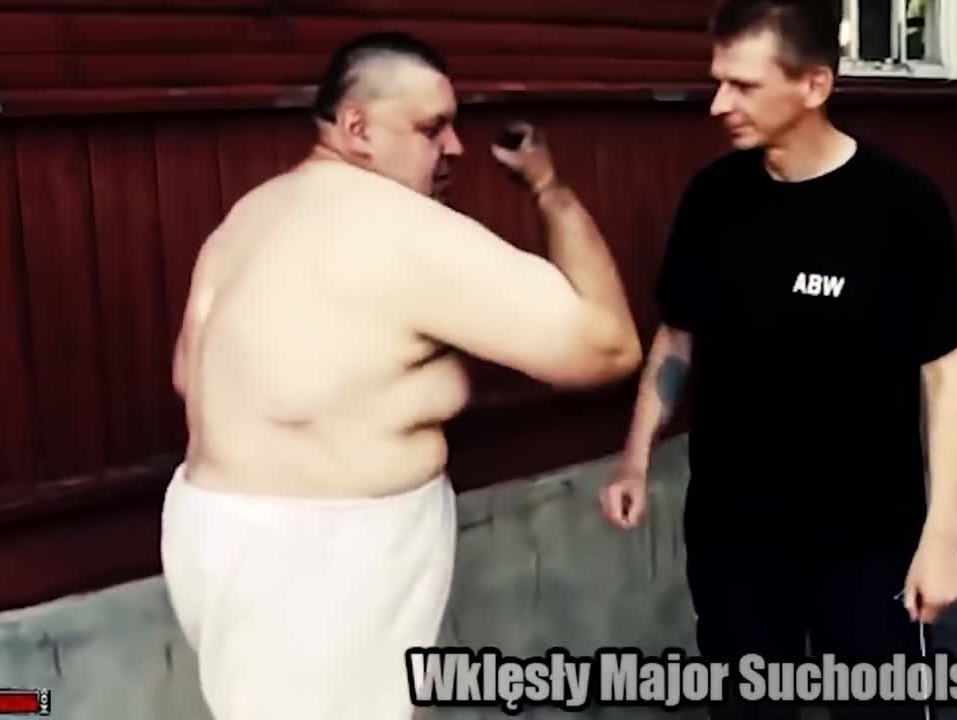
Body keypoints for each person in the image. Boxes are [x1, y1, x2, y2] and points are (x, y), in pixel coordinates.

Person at [160, 31, 642, 720]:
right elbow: (609, 347)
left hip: (211, 532)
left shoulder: (252, 213)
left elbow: (189, 373)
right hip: (315, 563)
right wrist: (549, 189)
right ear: (358, 128)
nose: (455, 148)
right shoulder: (400, 227)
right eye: (431, 128)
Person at [600, 1, 957, 718]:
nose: (719, 104)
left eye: (743, 85)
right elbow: (677, 338)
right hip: (735, 541)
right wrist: (635, 459)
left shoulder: (901, 207)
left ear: (814, 85)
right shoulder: (712, 198)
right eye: (718, 80)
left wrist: (942, 533)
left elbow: (945, 377)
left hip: (867, 546)